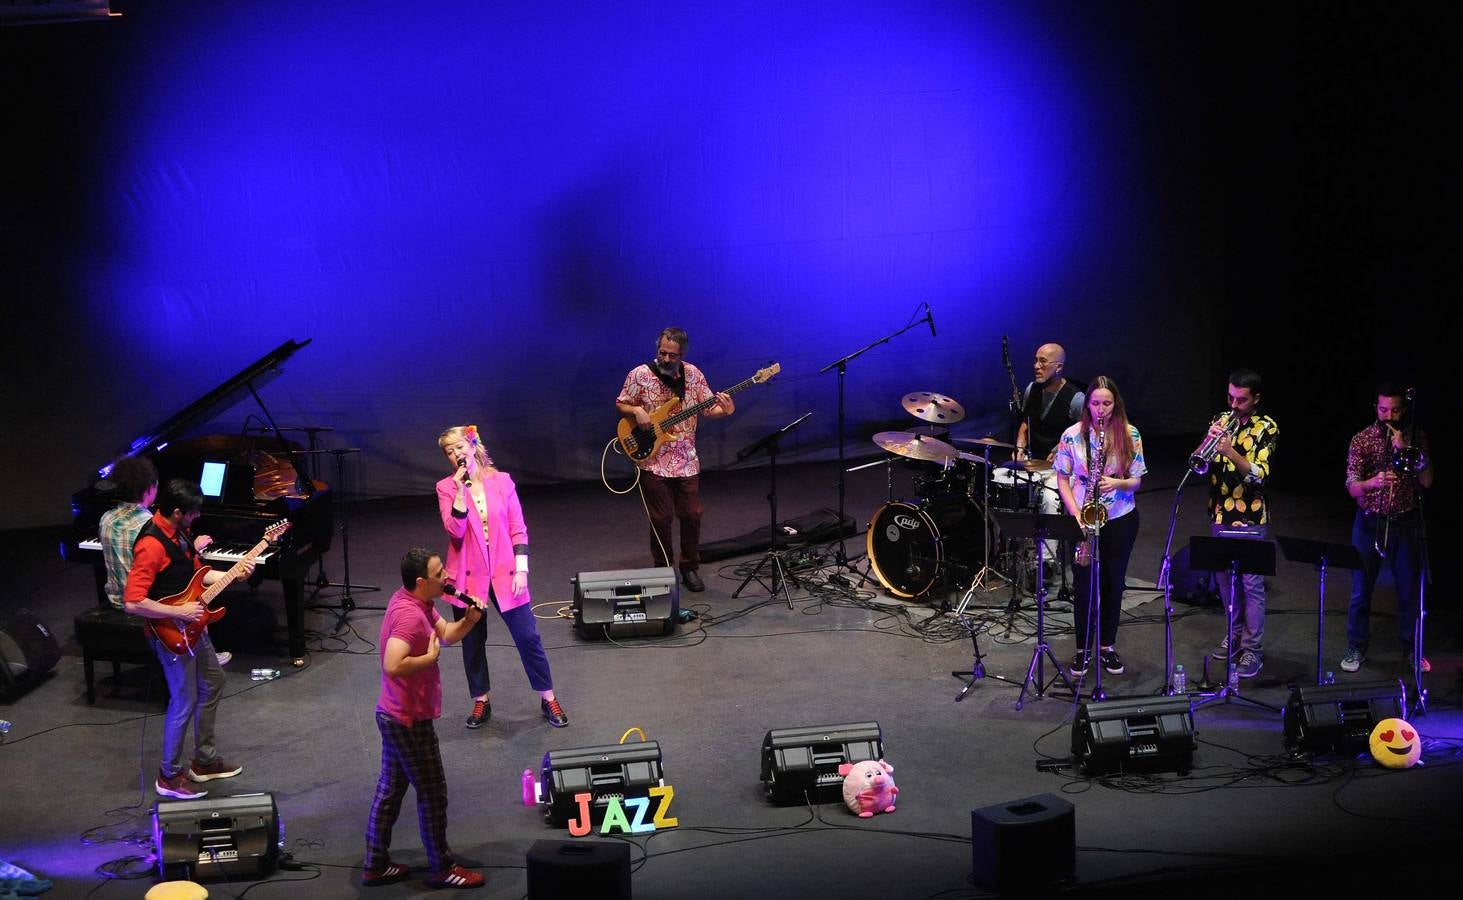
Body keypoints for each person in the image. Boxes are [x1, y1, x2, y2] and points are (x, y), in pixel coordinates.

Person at [362, 547, 487, 890]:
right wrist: (429, 659)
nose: (447, 577)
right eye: (438, 574)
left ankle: (375, 865)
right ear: (421, 582)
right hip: (407, 720)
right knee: (433, 793)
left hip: (394, 714)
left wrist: (470, 621)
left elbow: (446, 634)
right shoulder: (409, 617)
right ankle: (442, 868)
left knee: (391, 790)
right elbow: (391, 664)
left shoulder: (416, 602)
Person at [123, 479, 252, 800]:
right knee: (183, 702)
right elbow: (133, 601)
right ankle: (168, 775)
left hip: (192, 627)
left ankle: (204, 761)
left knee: (214, 681)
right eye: (193, 513)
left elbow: (196, 574)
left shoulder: (179, 533)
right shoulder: (151, 545)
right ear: (177, 511)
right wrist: (179, 612)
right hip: (170, 633)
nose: (197, 518)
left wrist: (231, 575)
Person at [436, 425, 567, 729]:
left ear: (473, 445)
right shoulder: (445, 487)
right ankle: (481, 699)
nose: (455, 454)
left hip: (505, 571)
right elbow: (454, 533)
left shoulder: (502, 481)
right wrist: (459, 490)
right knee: (473, 641)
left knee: (527, 636)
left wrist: (522, 568)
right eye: (449, 451)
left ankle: (548, 697)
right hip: (468, 577)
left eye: (458, 447)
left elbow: (517, 527)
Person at [615, 326, 735, 592]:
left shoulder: (693, 375)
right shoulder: (640, 374)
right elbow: (621, 403)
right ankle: (662, 570)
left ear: (682, 354)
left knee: (691, 515)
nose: (666, 359)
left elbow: (709, 408)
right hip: (653, 458)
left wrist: (724, 410)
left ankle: (690, 567)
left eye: (672, 355)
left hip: (686, 459)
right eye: (662, 353)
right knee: (660, 518)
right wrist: (637, 410)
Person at [1054, 377, 1146, 677]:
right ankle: (1083, 650)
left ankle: (1107, 646)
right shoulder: (1072, 436)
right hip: (1083, 519)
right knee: (1083, 587)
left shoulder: (1130, 434)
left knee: (1112, 583)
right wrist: (1077, 515)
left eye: (1107, 403)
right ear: (1087, 404)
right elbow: (1062, 479)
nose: (1101, 409)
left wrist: (1116, 482)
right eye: (1095, 403)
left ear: (1115, 404)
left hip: (1119, 517)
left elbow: (1136, 481)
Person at [1342, 383, 1433, 673]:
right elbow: (1353, 488)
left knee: (1408, 592)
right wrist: (1373, 483)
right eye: (1383, 409)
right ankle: (1356, 648)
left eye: (1394, 409)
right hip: (1370, 522)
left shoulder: (1416, 436)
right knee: (1360, 591)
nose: (1389, 415)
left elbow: (1428, 482)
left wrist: (1407, 450)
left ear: (1403, 409)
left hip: (1405, 524)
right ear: (1376, 408)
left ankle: (1411, 649)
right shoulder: (1362, 439)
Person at [1204, 369, 1279, 679]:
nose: (1234, 405)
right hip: (1220, 514)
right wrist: (1206, 445)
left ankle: (1252, 650)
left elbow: (1259, 475)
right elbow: (1201, 463)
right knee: (1225, 583)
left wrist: (1229, 450)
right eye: (1231, 398)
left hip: (1250, 516)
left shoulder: (1267, 427)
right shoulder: (1221, 419)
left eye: (1241, 400)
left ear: (1256, 399)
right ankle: (1233, 635)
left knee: (1252, 586)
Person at [1011, 343, 1084, 565]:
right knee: (999, 480)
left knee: (1050, 498)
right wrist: (1020, 449)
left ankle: (1046, 563)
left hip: (1062, 467)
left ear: (1058, 366)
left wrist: (1061, 451)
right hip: (1035, 461)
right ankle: (1007, 553)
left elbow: (1085, 434)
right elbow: (1026, 423)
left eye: (1043, 361)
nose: (1036, 366)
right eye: (1036, 360)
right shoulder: (1032, 389)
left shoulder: (1075, 398)